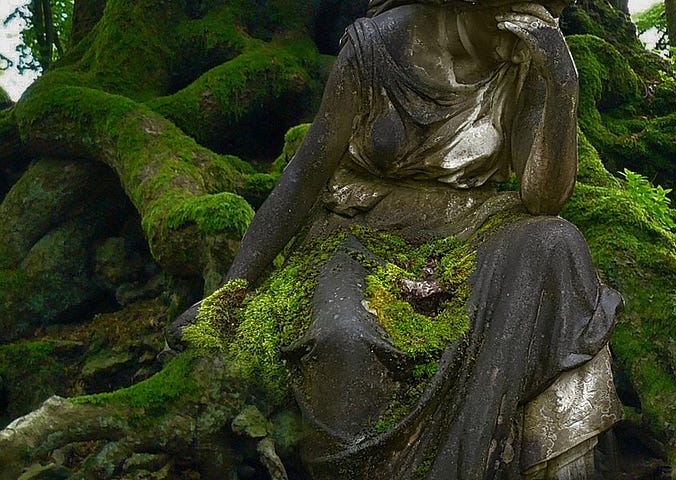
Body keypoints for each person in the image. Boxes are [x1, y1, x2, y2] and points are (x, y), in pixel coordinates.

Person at [169, 0, 622, 478]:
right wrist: (231, 293)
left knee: (555, 242)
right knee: (341, 338)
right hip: (360, 231)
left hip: (467, 227)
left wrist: (563, 87)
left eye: (547, 19)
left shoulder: (528, 62)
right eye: (517, 18)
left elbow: (543, 198)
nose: (532, 35)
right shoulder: (376, 47)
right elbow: (303, 177)